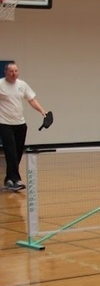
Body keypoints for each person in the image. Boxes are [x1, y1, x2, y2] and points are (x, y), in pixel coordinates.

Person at [0, 62, 51, 192]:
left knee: (17, 152)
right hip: (4, 123)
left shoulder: (22, 85)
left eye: (16, 71)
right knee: (10, 151)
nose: (14, 73)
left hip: (20, 124)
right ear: (5, 72)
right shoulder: (0, 84)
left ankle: (9, 179)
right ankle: (16, 180)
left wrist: (42, 111)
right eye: (11, 71)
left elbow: (31, 100)